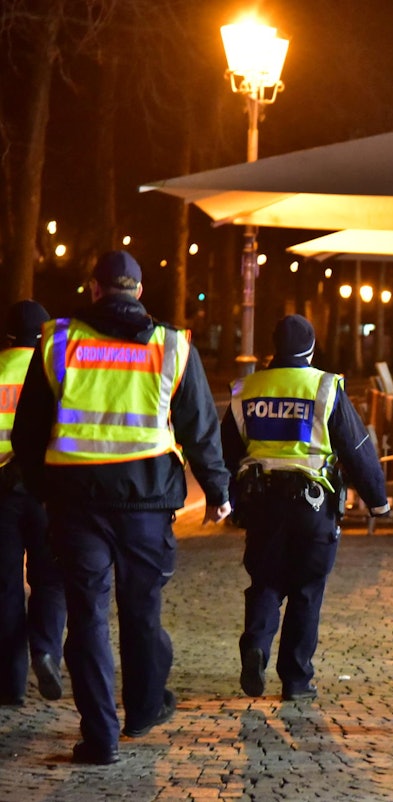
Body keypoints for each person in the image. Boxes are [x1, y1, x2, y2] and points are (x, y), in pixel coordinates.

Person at [11, 250, 232, 765]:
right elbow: (201, 428)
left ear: (94, 288)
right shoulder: (172, 345)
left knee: (87, 616)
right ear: (139, 290)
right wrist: (218, 492)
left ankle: (101, 737)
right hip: (147, 503)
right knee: (142, 609)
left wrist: (45, 490)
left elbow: (28, 432)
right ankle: (143, 710)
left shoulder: (57, 342)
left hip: (76, 503)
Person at [221, 314, 390, 703]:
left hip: (262, 504)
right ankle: (296, 680)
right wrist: (377, 500)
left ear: (274, 346)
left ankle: (256, 645)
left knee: (266, 580)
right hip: (313, 506)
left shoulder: (246, 389)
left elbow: (226, 451)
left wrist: (226, 497)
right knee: (306, 589)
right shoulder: (324, 387)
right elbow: (356, 447)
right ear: (311, 349)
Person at [0, 300, 66, 707]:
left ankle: (9, 684)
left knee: (5, 586)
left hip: (1, 493)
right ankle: (46, 651)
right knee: (50, 579)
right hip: (45, 489)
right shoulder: (55, 372)